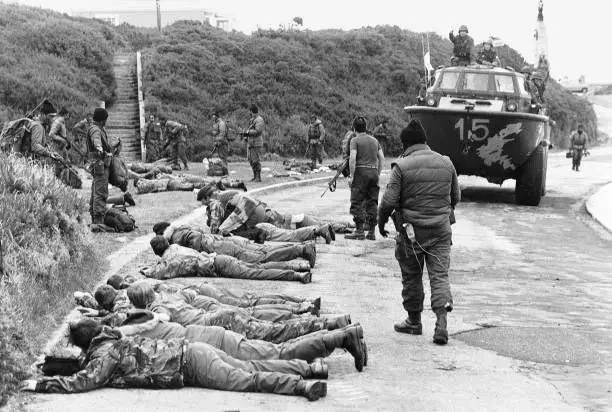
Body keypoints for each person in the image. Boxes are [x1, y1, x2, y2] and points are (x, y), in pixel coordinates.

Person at [22, 318, 329, 401]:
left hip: (192, 365)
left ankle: (299, 386)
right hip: (194, 350)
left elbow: (85, 379)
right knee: (251, 365)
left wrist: (41, 385)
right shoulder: (110, 339)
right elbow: (85, 365)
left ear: (83, 344)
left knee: (248, 379)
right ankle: (310, 367)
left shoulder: (105, 354)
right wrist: (50, 364)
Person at [378, 120, 460, 345]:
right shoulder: (446, 162)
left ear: (405, 144)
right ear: (425, 141)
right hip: (441, 232)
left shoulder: (401, 166)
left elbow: (388, 201)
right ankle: (441, 323)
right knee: (439, 276)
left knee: (412, 276)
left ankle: (414, 322)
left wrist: (381, 222)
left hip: (411, 233)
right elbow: (456, 197)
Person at [118, 310, 366, 370]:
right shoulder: (154, 321)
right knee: (279, 348)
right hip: (214, 336)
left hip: (214, 343)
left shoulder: (133, 337)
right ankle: (342, 332)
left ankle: (342, 337)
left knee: (280, 354)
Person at [128, 282, 351, 344]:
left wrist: (149, 316)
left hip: (217, 323)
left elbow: (165, 318)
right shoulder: (167, 296)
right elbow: (190, 294)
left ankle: (329, 325)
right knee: (269, 326)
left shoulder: (156, 308)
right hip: (218, 315)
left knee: (274, 333)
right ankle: (327, 322)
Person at [143, 236, 313, 283]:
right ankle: (298, 267)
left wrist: (146, 270)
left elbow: (160, 274)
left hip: (219, 266)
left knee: (257, 272)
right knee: (259, 265)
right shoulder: (175, 247)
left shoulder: (169, 260)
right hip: (219, 258)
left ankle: (296, 275)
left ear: (157, 252)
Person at [198, 185, 334, 243]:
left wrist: (213, 233)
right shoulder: (224, 195)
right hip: (258, 208)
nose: (203, 205)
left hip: (252, 214)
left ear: (206, 197)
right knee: (286, 220)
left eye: (202, 201)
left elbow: (216, 226)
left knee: (284, 228)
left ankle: (320, 228)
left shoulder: (215, 202)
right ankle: (325, 226)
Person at [153, 221, 317, 269]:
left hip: (219, 248)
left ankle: (302, 249)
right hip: (221, 243)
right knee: (262, 253)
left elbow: (195, 241)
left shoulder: (177, 237)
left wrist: (199, 254)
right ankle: (303, 247)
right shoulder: (181, 229)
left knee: (261, 258)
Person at [345, 116, 385, 241]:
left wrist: (352, 176)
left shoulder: (354, 140)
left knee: (357, 201)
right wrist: (378, 173)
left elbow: (352, 158)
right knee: (372, 202)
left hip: (361, 172)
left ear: (354, 128)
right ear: (366, 127)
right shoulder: (375, 140)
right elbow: (382, 158)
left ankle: (359, 231)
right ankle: (371, 232)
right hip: (373, 172)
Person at [86, 108, 113, 227]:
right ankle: (98, 221)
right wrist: (99, 148)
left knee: (96, 191)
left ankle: (95, 218)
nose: (106, 121)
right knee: (100, 192)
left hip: (98, 164)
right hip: (99, 164)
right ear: (102, 120)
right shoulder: (95, 129)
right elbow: (96, 140)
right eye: (106, 119)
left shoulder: (98, 128)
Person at [242, 105, 265, 182]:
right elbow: (249, 130)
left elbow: (258, 131)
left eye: (250, 112)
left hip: (256, 143)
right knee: (250, 160)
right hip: (250, 143)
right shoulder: (252, 119)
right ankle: (255, 176)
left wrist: (248, 132)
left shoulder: (259, 120)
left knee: (256, 160)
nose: (249, 113)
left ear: (252, 111)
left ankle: (258, 177)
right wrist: (245, 135)